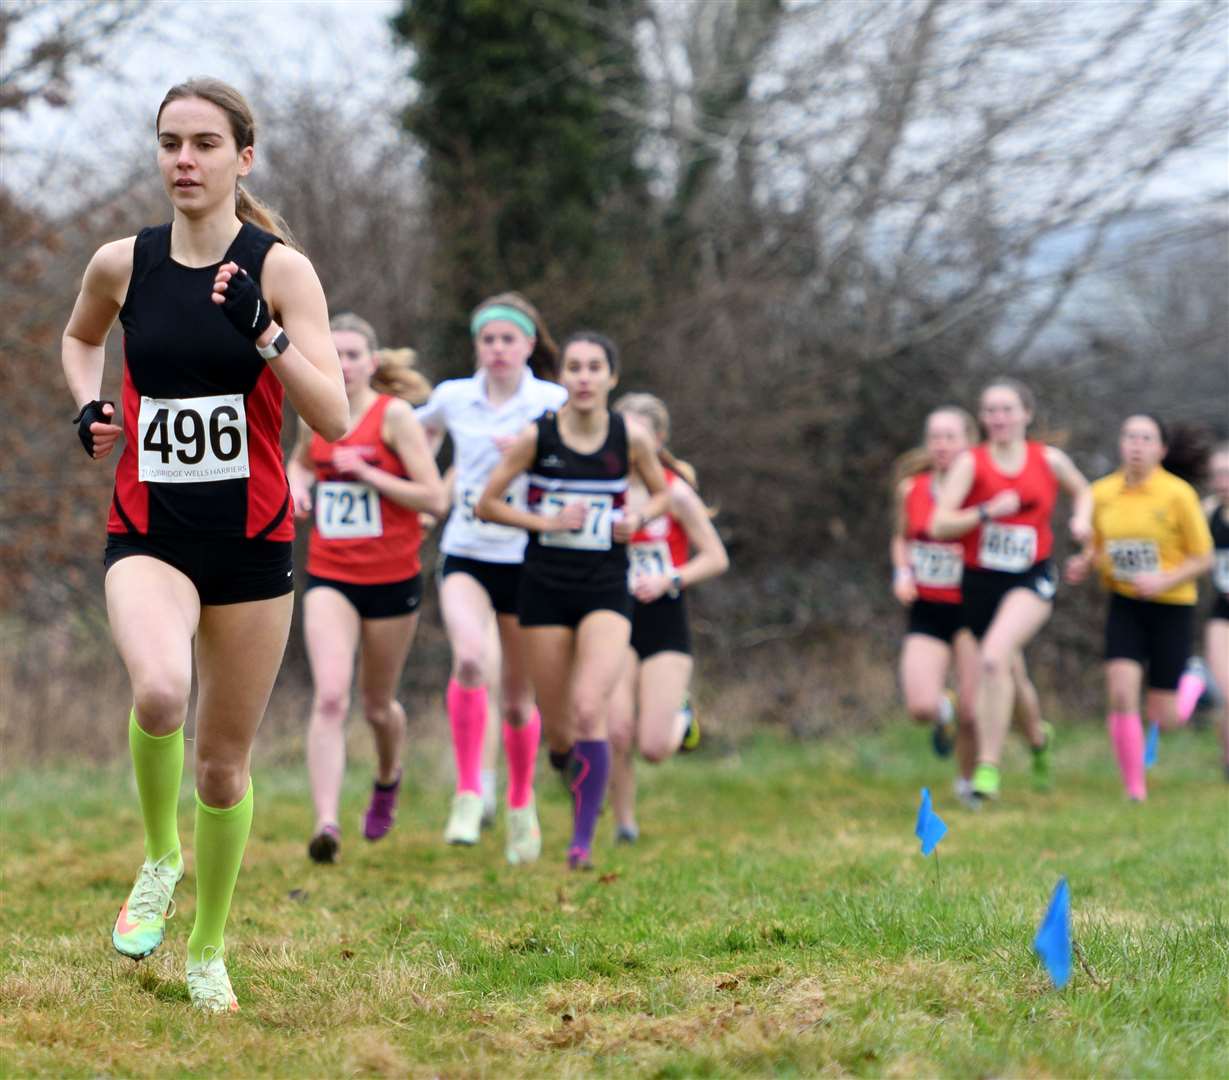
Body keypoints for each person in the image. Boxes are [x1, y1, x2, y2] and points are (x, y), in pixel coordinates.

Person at [61, 78, 347, 1012]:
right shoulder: (122, 262)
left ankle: (208, 949)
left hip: (254, 543)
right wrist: (91, 405)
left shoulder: (280, 270)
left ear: (243, 157)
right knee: (157, 688)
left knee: (223, 765)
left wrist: (261, 334)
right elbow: (78, 338)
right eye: (169, 143)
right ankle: (157, 857)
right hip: (148, 530)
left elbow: (334, 416)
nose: (184, 160)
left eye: (204, 144)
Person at [476, 332, 668, 869]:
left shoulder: (629, 437)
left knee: (590, 709)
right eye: (575, 368)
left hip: (606, 587)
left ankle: (580, 841)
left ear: (612, 377)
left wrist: (638, 519)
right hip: (544, 588)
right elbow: (487, 504)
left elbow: (661, 493)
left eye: (594, 368)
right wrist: (546, 521)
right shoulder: (537, 437)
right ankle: (573, 770)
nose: (584, 377)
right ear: (562, 378)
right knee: (560, 731)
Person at [287, 317, 447, 863]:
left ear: (372, 362)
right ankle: (326, 824)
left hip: (391, 580)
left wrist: (371, 475)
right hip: (330, 575)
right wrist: (299, 488)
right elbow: (300, 464)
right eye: (333, 354)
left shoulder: (394, 417)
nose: (344, 362)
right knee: (331, 696)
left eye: (353, 353)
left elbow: (434, 498)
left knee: (378, 706)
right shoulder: (316, 414)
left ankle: (387, 777)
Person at [415, 293, 566, 862]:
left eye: (509, 339)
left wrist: (535, 449)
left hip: (529, 554)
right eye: (488, 339)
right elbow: (416, 433)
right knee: (471, 660)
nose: (498, 349)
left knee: (518, 700)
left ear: (530, 344)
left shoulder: (551, 401)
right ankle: (469, 789)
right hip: (466, 551)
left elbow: (588, 454)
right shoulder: (454, 396)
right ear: (476, 346)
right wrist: (427, 490)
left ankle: (522, 804)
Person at [931, 378, 1092, 802]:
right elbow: (938, 524)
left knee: (992, 658)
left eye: (1006, 409)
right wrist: (984, 512)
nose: (998, 418)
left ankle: (988, 768)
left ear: (1026, 414)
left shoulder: (1049, 460)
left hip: (1031, 577)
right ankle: (1039, 739)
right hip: (980, 582)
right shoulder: (972, 463)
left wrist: (1082, 524)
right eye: (990, 410)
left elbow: (1084, 491)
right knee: (1009, 672)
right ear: (982, 419)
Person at [891, 408, 1053, 804]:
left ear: (969, 442)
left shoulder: (984, 484)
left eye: (950, 437)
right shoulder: (911, 488)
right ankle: (949, 716)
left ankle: (971, 782)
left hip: (971, 603)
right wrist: (902, 573)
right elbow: (903, 538)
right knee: (920, 707)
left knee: (975, 704)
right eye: (935, 437)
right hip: (928, 606)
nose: (941, 446)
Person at [1065, 418, 1214, 799]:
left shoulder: (1178, 495)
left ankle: (1195, 680)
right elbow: (1098, 549)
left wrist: (1163, 581)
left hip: (1172, 606)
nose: (1136, 445)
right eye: (1130, 436)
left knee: (1166, 717)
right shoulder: (1103, 493)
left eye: (1146, 439)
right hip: (1125, 603)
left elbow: (1203, 557)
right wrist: (1085, 563)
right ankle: (1135, 789)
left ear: (1161, 449)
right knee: (1120, 691)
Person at [607, 393, 729, 843]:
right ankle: (624, 823)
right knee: (617, 729)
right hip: (613, 618)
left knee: (653, 747)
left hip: (664, 617)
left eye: (638, 434)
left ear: (657, 440)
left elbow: (716, 558)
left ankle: (681, 715)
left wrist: (669, 579)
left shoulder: (675, 491)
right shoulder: (601, 486)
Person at [1205, 443, 1229, 779]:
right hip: (1221, 613)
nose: (1223, 481)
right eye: (1218, 474)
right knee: (1226, 690)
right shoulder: (1205, 511)